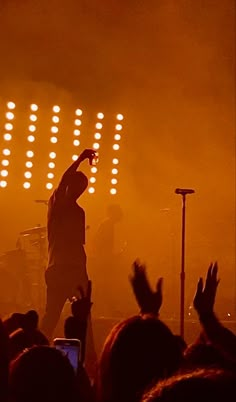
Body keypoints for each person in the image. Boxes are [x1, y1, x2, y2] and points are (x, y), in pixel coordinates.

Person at [41, 149, 96, 338]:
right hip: (62, 268)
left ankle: (86, 358)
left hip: (70, 268)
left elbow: (79, 244)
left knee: (77, 317)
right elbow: (64, 179)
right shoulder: (58, 205)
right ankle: (36, 350)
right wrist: (80, 159)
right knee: (55, 316)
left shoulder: (77, 211)